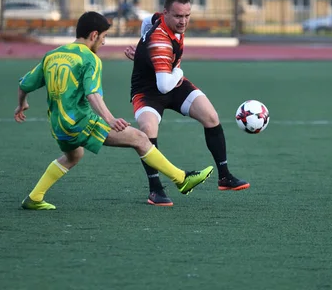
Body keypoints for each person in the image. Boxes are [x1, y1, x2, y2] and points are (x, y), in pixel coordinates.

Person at [15, 11, 213, 210]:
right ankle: (182, 179)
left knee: (73, 157)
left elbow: (24, 84)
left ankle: (34, 197)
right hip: (80, 122)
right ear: (93, 35)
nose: (104, 42)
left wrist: (21, 104)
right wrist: (109, 119)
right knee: (140, 139)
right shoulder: (89, 59)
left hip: (58, 125)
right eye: (103, 37)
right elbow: (93, 94)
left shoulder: (52, 55)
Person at [125, 0, 249, 207]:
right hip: (148, 90)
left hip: (169, 79)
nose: (183, 21)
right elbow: (163, 85)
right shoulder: (160, 42)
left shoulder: (158, 19)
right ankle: (155, 190)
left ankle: (225, 177)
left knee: (210, 116)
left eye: (187, 16)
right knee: (148, 130)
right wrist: (175, 70)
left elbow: (146, 22)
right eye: (178, 16)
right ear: (167, 13)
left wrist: (142, 51)